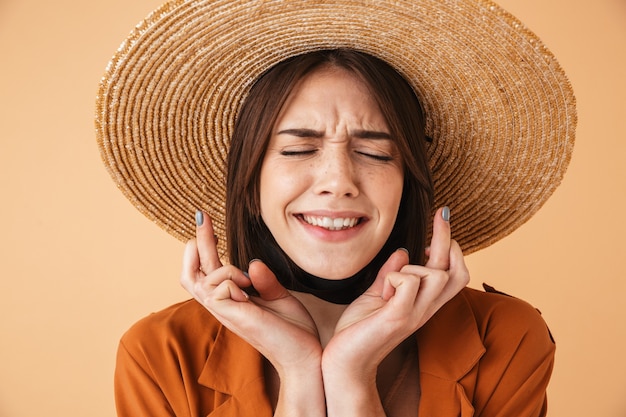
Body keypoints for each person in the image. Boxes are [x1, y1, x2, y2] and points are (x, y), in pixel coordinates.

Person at [96, 1, 576, 416]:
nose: (337, 183)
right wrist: (300, 371)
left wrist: (351, 375)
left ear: (408, 182)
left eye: (374, 153)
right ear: (250, 179)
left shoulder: (506, 340)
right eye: (298, 149)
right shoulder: (161, 355)